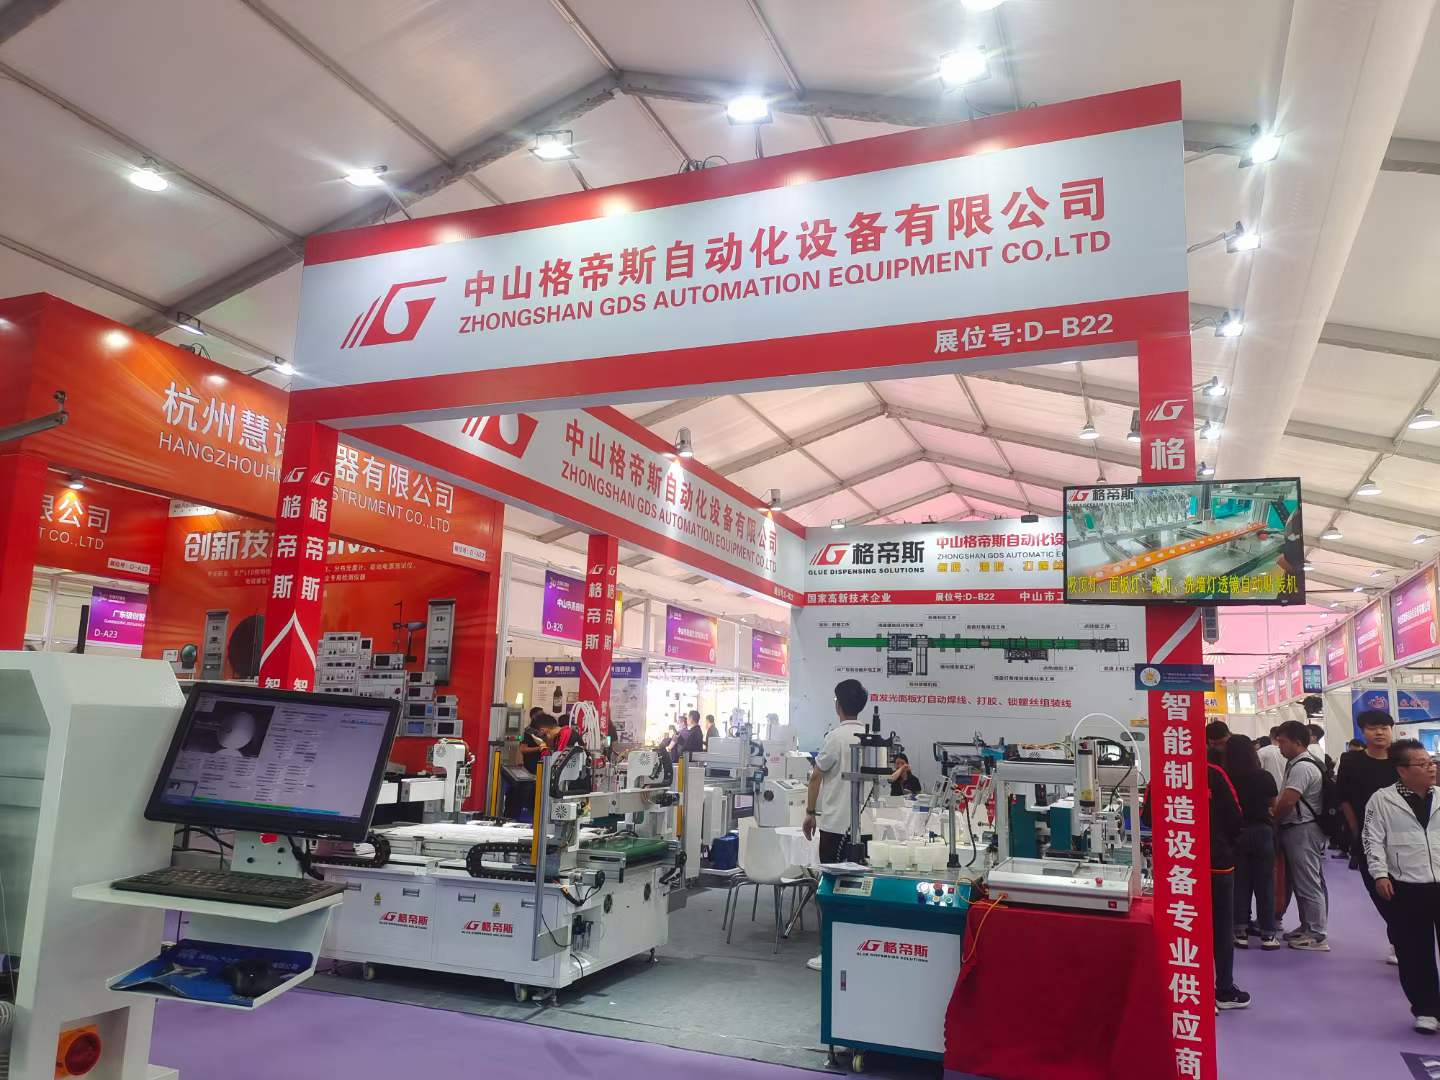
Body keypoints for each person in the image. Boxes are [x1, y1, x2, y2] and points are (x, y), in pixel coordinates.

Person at [1363, 740, 1440, 1033]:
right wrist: (1380, 874)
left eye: (1431, 762)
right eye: (1422, 764)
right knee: (1414, 950)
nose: (1431, 768)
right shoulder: (1382, 800)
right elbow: (1371, 839)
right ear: (1402, 770)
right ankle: (1426, 1010)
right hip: (1406, 885)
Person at [803, 679, 868, 974]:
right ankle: (858, 947)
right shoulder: (869, 735)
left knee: (830, 890)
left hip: (834, 826)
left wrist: (809, 812)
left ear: (838, 705)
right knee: (860, 890)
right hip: (863, 827)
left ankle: (829, 951)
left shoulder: (836, 737)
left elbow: (816, 776)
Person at [1338, 710, 1400, 963]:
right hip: (1367, 838)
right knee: (1378, 891)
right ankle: (1399, 937)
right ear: (1363, 732)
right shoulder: (1351, 762)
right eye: (1373, 728)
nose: (1379, 732)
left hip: (1402, 838)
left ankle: (1400, 942)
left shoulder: (1401, 760)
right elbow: (1344, 799)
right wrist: (1356, 830)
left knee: (1404, 892)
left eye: (1384, 727)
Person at [1274, 719, 1330, 951]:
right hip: (1301, 829)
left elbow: (1288, 801)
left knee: (1308, 882)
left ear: (1297, 742)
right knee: (1303, 880)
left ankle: (1317, 933)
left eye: (1282, 742)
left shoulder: (1302, 767)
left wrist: (1274, 817)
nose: (1279, 747)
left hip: (1302, 829)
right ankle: (1307, 925)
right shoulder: (1302, 763)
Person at [1226, 734, 1280, 950]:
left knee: (1240, 883)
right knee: (1265, 884)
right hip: (1262, 831)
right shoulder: (1264, 776)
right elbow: (1272, 803)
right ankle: (1268, 934)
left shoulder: (1226, 777)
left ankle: (1240, 931)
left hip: (1237, 833)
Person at [1208, 757, 1249, 1008]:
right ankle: (1223, 989)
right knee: (1222, 927)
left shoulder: (1165, 770)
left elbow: (1148, 816)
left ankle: (1185, 990)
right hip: (1217, 863)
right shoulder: (1214, 773)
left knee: (1180, 926)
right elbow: (1235, 818)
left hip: (1178, 868)